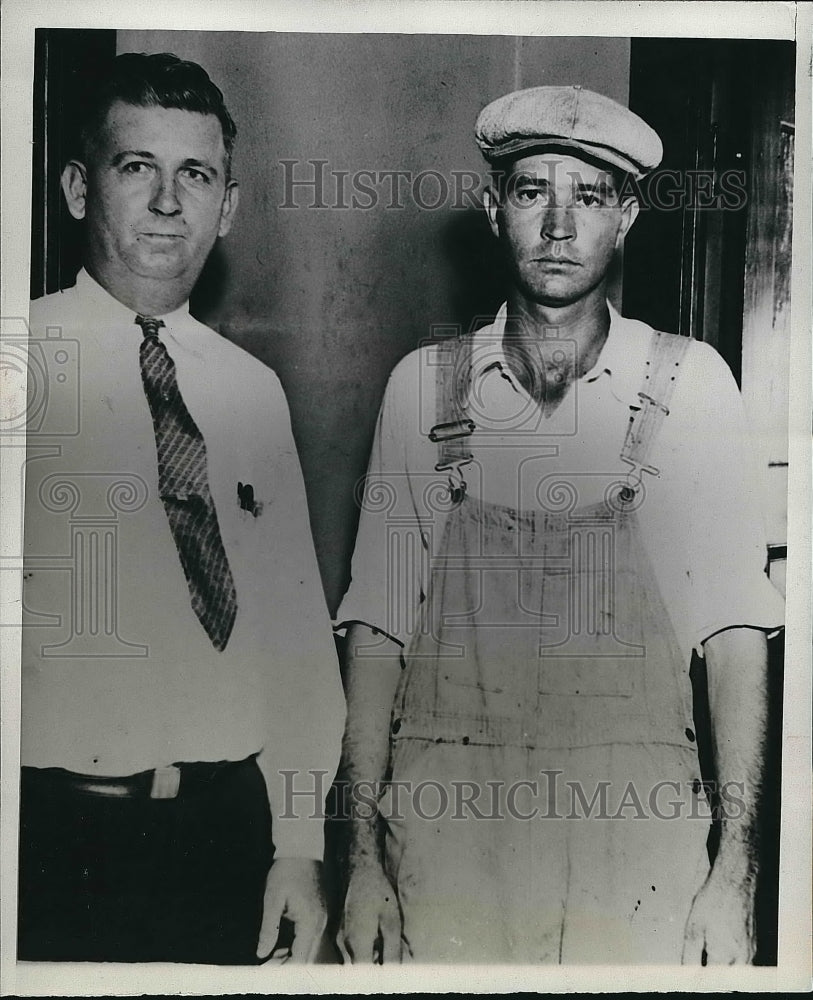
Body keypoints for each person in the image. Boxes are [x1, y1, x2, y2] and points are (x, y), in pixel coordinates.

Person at [335, 85, 784, 964]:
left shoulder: (692, 387)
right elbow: (375, 633)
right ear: (492, 207)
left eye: (587, 195)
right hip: (449, 843)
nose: (557, 224)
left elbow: (736, 639)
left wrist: (734, 871)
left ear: (626, 218)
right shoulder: (421, 389)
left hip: (639, 846)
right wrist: (357, 863)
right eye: (532, 190)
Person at [18, 52, 344, 964]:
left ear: (227, 207)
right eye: (137, 168)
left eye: (194, 175)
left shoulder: (250, 389)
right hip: (49, 843)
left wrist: (299, 847)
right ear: (80, 189)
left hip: (222, 843)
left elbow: (295, 645)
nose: (169, 201)